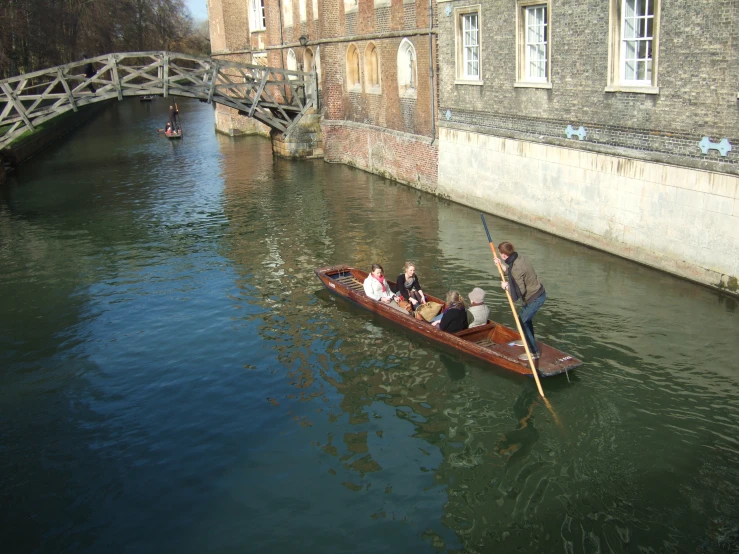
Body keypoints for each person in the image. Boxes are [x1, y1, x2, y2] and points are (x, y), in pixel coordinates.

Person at [494, 241, 546, 360]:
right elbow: (512, 272)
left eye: (500, 255)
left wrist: (506, 286)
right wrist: (501, 265)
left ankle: (533, 352)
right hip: (538, 293)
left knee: (522, 321)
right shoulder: (519, 257)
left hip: (535, 297)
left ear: (504, 255)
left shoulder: (517, 268)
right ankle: (526, 339)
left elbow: (519, 290)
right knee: (523, 319)